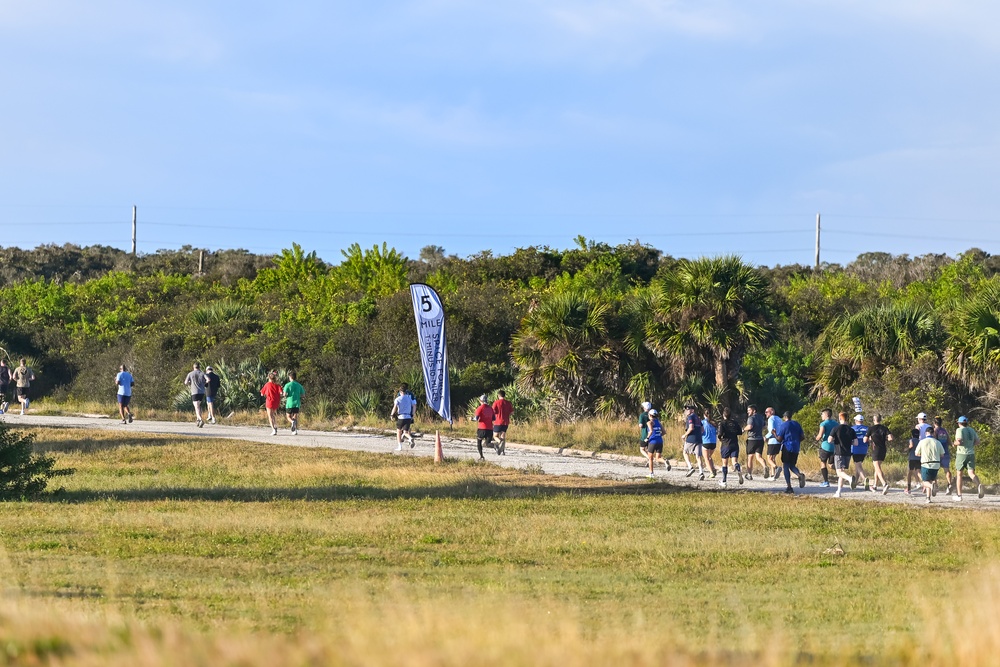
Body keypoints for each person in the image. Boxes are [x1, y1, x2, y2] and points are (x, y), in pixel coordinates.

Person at [953, 416, 985, 501]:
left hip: (961, 453)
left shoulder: (959, 430)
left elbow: (959, 441)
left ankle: (959, 495)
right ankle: (978, 485)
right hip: (971, 453)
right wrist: (970, 444)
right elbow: (978, 441)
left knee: (959, 474)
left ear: (959, 423)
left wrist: (954, 443)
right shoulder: (971, 430)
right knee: (971, 473)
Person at [775, 411, 807, 494]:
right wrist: (797, 441)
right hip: (796, 447)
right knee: (792, 465)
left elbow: (779, 439)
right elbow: (802, 437)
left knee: (786, 465)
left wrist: (774, 434)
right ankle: (799, 474)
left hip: (787, 447)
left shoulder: (784, 425)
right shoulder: (797, 424)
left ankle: (789, 486)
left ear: (785, 417)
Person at [829, 412, 858, 498]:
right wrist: (849, 442)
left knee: (839, 473)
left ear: (840, 418)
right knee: (842, 472)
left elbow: (829, 440)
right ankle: (838, 492)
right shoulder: (851, 430)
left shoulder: (835, 428)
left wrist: (835, 441)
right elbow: (856, 443)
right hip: (848, 453)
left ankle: (850, 479)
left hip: (839, 452)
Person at [865, 414, 892, 495]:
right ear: (880, 420)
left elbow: (865, 440)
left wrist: (870, 439)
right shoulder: (884, 428)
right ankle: (875, 485)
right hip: (883, 449)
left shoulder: (871, 429)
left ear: (874, 420)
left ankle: (884, 484)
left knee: (877, 467)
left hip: (875, 449)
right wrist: (885, 439)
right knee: (877, 467)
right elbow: (891, 438)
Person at [915, 430, 945, 504]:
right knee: (930, 480)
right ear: (933, 433)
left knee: (925, 482)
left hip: (926, 464)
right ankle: (928, 498)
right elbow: (942, 455)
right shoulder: (938, 442)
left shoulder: (922, 441)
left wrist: (923, 455)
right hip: (936, 464)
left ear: (926, 433)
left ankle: (932, 487)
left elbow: (916, 453)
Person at [717, 407, 743, 488]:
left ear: (723, 414)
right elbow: (740, 432)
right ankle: (738, 469)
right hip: (734, 444)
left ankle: (724, 480)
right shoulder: (735, 423)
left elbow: (719, 434)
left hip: (726, 444)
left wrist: (720, 439)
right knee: (734, 461)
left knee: (725, 463)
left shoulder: (722, 423)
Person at [815, 408, 839, 488]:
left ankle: (826, 481)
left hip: (825, 446)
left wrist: (816, 439)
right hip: (834, 446)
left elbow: (820, 435)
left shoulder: (823, 424)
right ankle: (842, 475)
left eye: (822, 414)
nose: (821, 416)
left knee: (823, 463)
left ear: (826, 415)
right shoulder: (836, 423)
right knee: (831, 464)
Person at [932, 416, 955, 495]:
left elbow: (934, 442)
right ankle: (949, 484)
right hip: (945, 452)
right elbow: (949, 441)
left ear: (934, 423)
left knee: (934, 470)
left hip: (937, 453)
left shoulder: (935, 431)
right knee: (947, 470)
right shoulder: (944, 431)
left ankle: (936, 486)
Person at [681, 405, 704, 480]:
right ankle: (701, 472)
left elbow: (691, 428)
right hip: (699, 438)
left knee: (685, 452)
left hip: (691, 438)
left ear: (692, 410)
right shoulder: (698, 418)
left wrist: (685, 435)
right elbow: (702, 429)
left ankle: (690, 467)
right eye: (686, 410)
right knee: (698, 456)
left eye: (689, 409)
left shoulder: (690, 417)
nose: (687, 411)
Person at [743, 405, 766, 480]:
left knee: (750, 457)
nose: (748, 412)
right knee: (759, 456)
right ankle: (765, 467)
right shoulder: (761, 417)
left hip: (752, 439)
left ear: (754, 410)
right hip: (760, 439)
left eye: (749, 410)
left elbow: (750, 426)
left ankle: (749, 474)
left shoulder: (751, 418)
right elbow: (764, 426)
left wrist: (743, 429)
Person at [391, 385, 417, 450]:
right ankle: (410, 438)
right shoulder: (409, 398)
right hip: (408, 416)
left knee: (398, 431)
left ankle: (399, 446)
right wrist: (412, 415)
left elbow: (394, 408)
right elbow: (414, 406)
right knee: (405, 432)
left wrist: (392, 415)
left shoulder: (398, 399)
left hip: (401, 417)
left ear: (400, 392)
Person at [183, 362, 207, 427]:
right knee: (198, 405)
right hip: (201, 392)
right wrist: (204, 383)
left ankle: (200, 419)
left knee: (196, 406)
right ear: (199, 367)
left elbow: (185, 382)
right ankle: (198, 420)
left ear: (193, 367)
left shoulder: (190, 374)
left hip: (194, 391)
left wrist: (190, 383)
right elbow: (208, 379)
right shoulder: (202, 373)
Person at [851, 414, 870, 490]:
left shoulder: (852, 428)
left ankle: (864, 479)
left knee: (858, 465)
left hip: (855, 449)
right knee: (858, 465)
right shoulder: (867, 429)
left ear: (856, 420)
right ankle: (855, 482)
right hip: (864, 449)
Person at [492, 390, 514, 455]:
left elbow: (493, 411)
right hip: (506, 422)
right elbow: (512, 412)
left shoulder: (496, 402)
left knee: (495, 436)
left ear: (498, 395)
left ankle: (500, 442)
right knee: (503, 436)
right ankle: (502, 451)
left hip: (498, 421)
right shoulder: (508, 403)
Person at [260, 371, 282, 435]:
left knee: (270, 415)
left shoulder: (267, 384)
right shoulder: (277, 385)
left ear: (268, 377)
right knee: (273, 414)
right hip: (276, 401)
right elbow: (281, 392)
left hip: (269, 401)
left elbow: (262, 393)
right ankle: (275, 425)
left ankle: (273, 429)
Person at [644, 409, 664, 478]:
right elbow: (664, 432)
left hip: (652, 441)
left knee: (650, 458)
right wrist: (658, 435)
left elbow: (651, 431)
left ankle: (651, 473)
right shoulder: (659, 422)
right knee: (658, 458)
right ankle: (665, 461)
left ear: (650, 415)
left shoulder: (649, 422)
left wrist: (647, 438)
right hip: (660, 441)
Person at [473, 395, 495, 460]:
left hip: (482, 428)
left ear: (480, 401)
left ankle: (481, 456)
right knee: (487, 443)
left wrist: (471, 419)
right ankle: (495, 445)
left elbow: (476, 418)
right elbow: (494, 418)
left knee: (479, 442)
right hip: (490, 429)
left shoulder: (480, 408)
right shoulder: (491, 408)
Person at [764, 406, 782, 480]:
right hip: (779, 441)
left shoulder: (771, 419)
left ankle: (777, 468)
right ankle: (772, 475)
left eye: (766, 412)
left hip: (772, 441)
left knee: (769, 458)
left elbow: (772, 430)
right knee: (773, 458)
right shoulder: (779, 419)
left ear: (771, 412)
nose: (765, 414)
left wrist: (766, 437)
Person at [701, 408, 718, 478]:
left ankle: (711, 472)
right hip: (713, 442)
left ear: (704, 415)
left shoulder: (702, 422)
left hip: (705, 441)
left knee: (706, 458)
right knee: (709, 457)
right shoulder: (714, 423)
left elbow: (701, 431)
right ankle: (713, 469)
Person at [905, 428, 922, 495]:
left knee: (909, 473)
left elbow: (911, 445)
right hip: (918, 458)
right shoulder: (920, 441)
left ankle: (908, 488)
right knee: (918, 472)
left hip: (912, 458)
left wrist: (907, 449)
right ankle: (924, 484)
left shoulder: (911, 440)